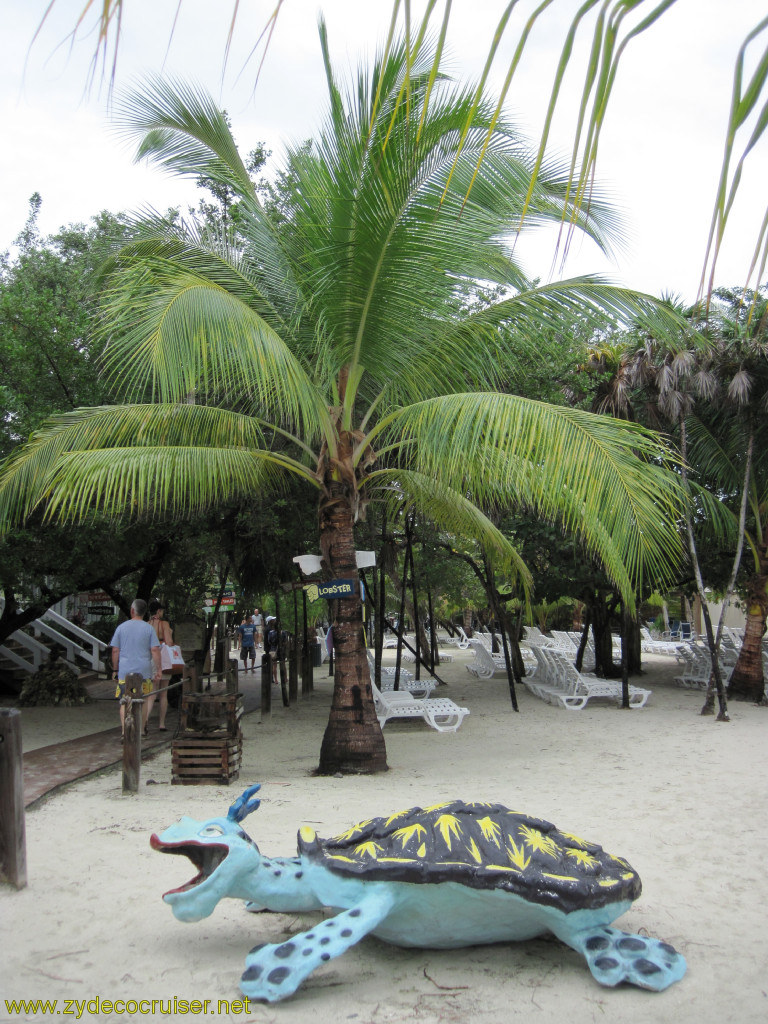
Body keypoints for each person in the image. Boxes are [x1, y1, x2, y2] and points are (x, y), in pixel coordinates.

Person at [110, 598, 162, 738]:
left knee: (124, 700)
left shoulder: (121, 628)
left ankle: (124, 731)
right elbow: (155, 650)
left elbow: (115, 650)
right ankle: (140, 729)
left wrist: (115, 670)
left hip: (125, 672)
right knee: (142, 699)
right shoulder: (149, 628)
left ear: (132, 611)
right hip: (144, 672)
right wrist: (159, 670)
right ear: (145, 613)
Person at [147, 599, 173, 730]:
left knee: (151, 693)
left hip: (149, 658)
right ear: (158, 611)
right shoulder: (164, 624)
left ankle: (144, 720)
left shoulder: (146, 624)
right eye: (161, 610)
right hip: (163, 658)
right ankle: (161, 723)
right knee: (163, 693)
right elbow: (169, 642)